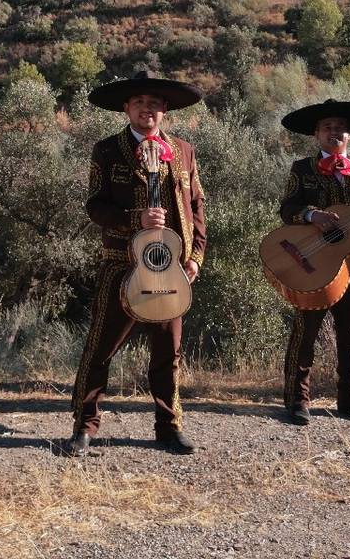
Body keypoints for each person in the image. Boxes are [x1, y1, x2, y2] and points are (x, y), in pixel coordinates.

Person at [65, 71, 208, 456]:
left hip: (170, 266)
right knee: (101, 348)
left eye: (155, 103)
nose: (148, 109)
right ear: (126, 108)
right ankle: (84, 426)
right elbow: (95, 206)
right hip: (120, 262)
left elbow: (197, 207)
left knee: (168, 351)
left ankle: (169, 426)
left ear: (165, 110)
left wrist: (195, 257)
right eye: (140, 102)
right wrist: (135, 220)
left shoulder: (184, 151)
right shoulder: (107, 150)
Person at [278, 99, 350, 426]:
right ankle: (297, 400)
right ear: (316, 133)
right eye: (328, 127)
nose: (335, 131)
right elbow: (287, 211)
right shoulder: (302, 169)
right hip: (314, 266)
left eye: (340, 127)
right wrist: (312, 215)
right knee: (305, 333)